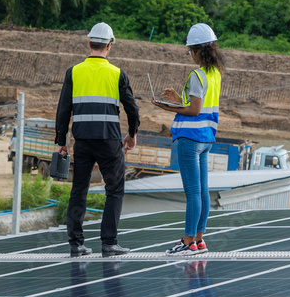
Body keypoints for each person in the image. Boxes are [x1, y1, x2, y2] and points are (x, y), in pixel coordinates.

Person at [56, 22, 139, 257]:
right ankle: (109, 243)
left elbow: (63, 110)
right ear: (109, 46)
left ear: (88, 43)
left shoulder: (74, 72)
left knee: (79, 190)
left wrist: (61, 140)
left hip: (81, 140)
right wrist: (132, 135)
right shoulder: (117, 74)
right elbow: (132, 109)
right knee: (114, 190)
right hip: (109, 142)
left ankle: (76, 245)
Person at [153, 23, 224, 256]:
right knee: (202, 191)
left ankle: (187, 242)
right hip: (206, 138)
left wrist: (165, 107)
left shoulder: (196, 75)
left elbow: (193, 110)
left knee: (193, 193)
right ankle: (199, 240)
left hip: (189, 139)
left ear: (196, 51)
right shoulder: (214, 74)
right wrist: (176, 98)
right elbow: (199, 105)